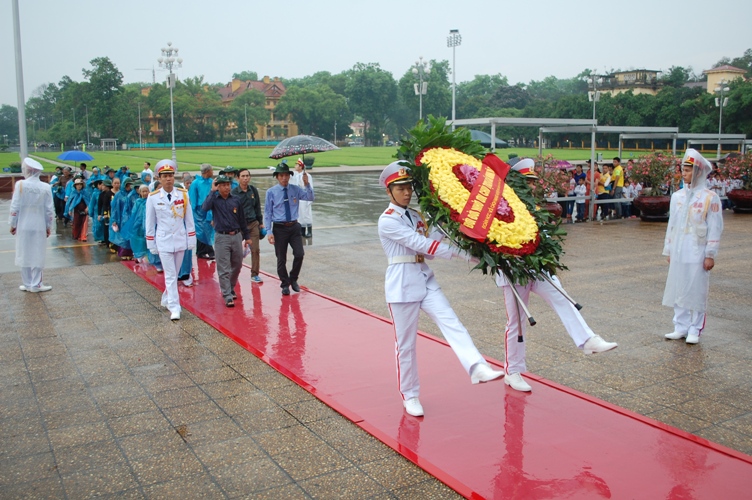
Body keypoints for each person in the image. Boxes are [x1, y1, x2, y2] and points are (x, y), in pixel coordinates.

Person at [377, 161, 504, 417]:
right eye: (400, 188)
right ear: (389, 192)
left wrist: (442, 224)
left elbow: (429, 249)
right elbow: (420, 244)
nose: (406, 192)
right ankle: (410, 395)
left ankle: (476, 366)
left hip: (424, 277)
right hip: (402, 285)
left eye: (409, 187)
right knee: (406, 346)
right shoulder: (387, 221)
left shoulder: (415, 215)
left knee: (452, 321)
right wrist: (465, 255)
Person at [496, 159, 618, 392]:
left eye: (533, 182)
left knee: (561, 295)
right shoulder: (502, 208)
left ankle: (587, 340)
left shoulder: (535, 207)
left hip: (537, 267)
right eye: (527, 182)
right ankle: (513, 371)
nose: (532, 187)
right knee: (516, 322)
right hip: (513, 272)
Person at [663, 149, 723, 344]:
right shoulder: (678, 196)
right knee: (679, 287)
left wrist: (710, 254)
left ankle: (695, 328)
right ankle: (680, 326)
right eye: (683, 169)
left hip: (698, 251)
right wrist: (669, 250)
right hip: (680, 250)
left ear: (698, 172)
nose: (684, 173)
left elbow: (715, 227)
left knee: (697, 289)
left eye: (688, 170)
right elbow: (672, 225)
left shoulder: (709, 197)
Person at [145, 160, 197, 320]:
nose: (168, 179)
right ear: (159, 178)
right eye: (165, 176)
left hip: (180, 239)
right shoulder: (153, 198)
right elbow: (149, 223)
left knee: (175, 273)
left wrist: (191, 240)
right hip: (164, 240)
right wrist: (151, 244)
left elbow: (189, 220)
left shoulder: (182, 194)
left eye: (171, 176)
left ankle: (167, 297)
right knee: (170, 274)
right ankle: (175, 307)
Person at [202, 175, 253, 307]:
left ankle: (230, 286)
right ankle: (227, 295)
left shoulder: (235, 200)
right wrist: (212, 191)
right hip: (221, 237)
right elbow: (205, 207)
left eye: (228, 184)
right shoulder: (214, 200)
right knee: (223, 267)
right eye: (223, 185)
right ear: (218, 186)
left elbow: (242, 219)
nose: (226, 187)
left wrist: (247, 237)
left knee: (237, 264)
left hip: (236, 236)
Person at [265, 162, 314, 295]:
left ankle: (293, 279)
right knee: (281, 258)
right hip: (279, 228)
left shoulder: (295, 189)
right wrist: (269, 231)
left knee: (299, 254)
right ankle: (284, 284)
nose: (284, 178)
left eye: (286, 175)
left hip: (294, 226)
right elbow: (268, 213)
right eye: (281, 175)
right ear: (277, 177)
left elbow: (310, 197)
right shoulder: (271, 192)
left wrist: (307, 184)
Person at [9, 158, 55, 293]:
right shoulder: (45, 187)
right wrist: (48, 226)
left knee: (24, 252)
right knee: (37, 253)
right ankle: (36, 283)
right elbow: (49, 210)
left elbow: (15, 206)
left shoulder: (20, 184)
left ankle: (27, 282)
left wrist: (13, 223)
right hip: (38, 224)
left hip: (23, 224)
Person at [232, 168, 264, 283]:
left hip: (253, 224)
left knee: (255, 250)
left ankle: (255, 273)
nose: (245, 178)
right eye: (243, 176)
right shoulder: (234, 193)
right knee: (237, 252)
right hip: (239, 226)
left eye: (247, 176)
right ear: (238, 178)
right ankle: (234, 272)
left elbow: (257, 207)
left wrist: (260, 223)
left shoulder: (253, 191)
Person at [189, 163, 216, 259]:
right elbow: (192, 197)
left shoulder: (211, 182)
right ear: (207, 171)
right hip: (199, 210)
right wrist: (194, 211)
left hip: (209, 209)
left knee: (208, 229)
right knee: (201, 230)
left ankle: (203, 251)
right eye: (212, 170)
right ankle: (208, 251)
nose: (213, 172)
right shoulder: (196, 183)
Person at [291, 158, 314, 237]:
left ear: (301, 166)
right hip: (299, 197)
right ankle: (302, 231)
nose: (295, 166)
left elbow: (310, 187)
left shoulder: (307, 175)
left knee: (307, 214)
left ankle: (309, 231)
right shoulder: (297, 175)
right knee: (300, 215)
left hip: (305, 197)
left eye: (297, 165)